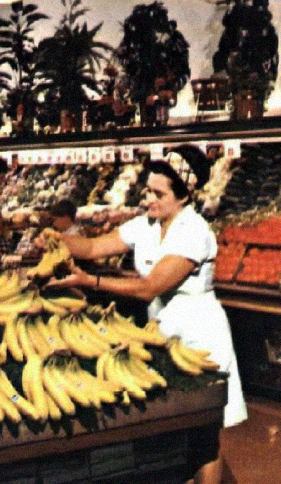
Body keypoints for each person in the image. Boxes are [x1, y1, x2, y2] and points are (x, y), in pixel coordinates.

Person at [42, 145, 247, 484]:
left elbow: (151, 286)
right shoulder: (147, 225)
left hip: (200, 334)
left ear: (184, 194)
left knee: (203, 434)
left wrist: (90, 280)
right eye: (148, 190)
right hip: (163, 332)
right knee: (185, 432)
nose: (148, 199)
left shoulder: (194, 232)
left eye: (158, 193)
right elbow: (93, 247)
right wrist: (57, 240)